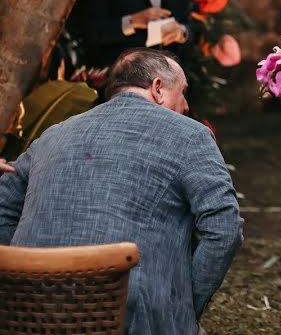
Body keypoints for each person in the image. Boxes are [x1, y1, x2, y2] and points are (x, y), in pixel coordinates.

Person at [0, 49, 243, 334]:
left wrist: (26, 272)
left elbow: (3, 207)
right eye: (183, 92)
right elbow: (224, 228)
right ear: (158, 89)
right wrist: (185, 306)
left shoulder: (53, 135)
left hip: (31, 310)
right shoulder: (191, 135)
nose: (186, 105)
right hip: (133, 316)